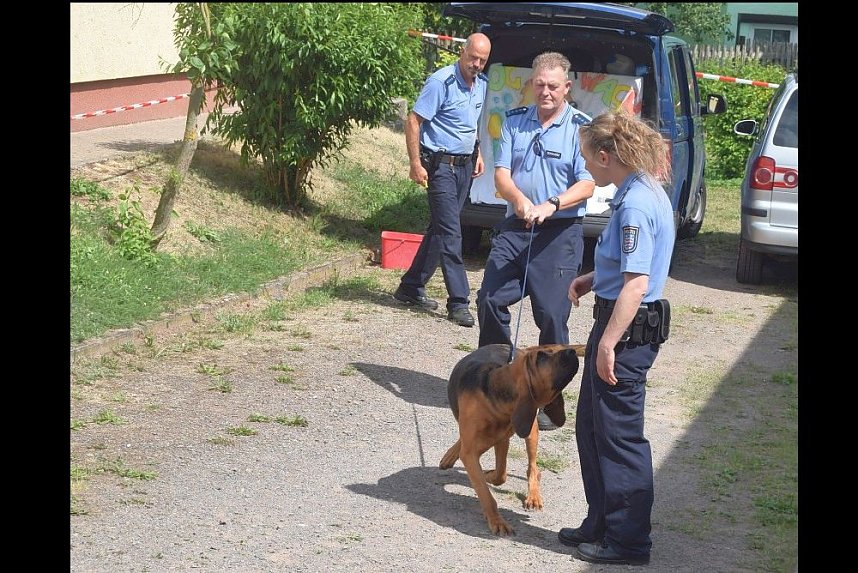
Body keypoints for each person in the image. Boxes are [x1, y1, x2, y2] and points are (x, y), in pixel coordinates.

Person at [558, 109, 675, 566]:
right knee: (591, 426)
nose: (585, 166)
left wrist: (606, 344)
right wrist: (592, 277)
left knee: (619, 437)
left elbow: (637, 284)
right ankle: (601, 520)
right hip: (618, 321)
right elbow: (624, 269)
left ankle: (628, 542)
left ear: (606, 157)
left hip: (626, 334)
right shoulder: (635, 190)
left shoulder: (635, 205)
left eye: (588, 158)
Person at [476, 51, 595, 429]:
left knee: (551, 316)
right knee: (490, 298)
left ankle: (550, 400)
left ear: (567, 88)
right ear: (532, 84)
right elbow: (502, 176)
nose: (545, 92)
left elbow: (587, 183)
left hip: (559, 233)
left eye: (553, 86)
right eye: (539, 84)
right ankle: (498, 379)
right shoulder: (514, 122)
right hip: (517, 226)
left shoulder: (581, 128)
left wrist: (551, 204)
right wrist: (521, 202)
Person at [392, 33, 492, 327]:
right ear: (462, 52)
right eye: (472, 57)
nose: (476, 64)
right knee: (451, 233)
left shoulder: (481, 84)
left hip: (465, 165)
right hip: (440, 167)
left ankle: (411, 287)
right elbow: (414, 120)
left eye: (482, 60)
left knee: (440, 228)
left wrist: (478, 152)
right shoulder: (441, 82)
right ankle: (459, 301)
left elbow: (470, 124)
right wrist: (414, 163)